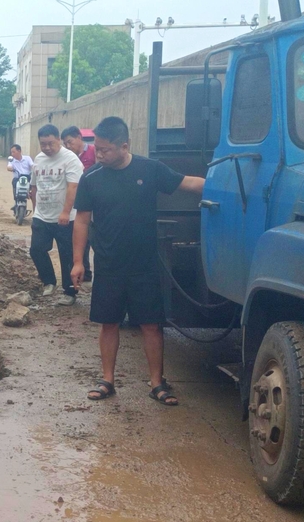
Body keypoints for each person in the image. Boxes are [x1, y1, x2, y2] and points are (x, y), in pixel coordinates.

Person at [70, 116, 205, 407]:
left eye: (105, 150)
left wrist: (223, 187)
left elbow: (188, 183)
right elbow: (81, 221)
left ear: (124, 146)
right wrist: (78, 261)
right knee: (108, 323)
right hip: (108, 265)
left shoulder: (149, 169)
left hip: (144, 264)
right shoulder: (91, 177)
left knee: (151, 325)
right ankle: (107, 379)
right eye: (98, 149)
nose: (100, 154)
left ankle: (157, 383)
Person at [29, 124, 84, 303]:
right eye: (43, 144)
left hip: (65, 217)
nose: (47, 148)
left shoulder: (70, 159)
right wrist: (36, 207)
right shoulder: (38, 159)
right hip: (42, 215)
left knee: (66, 254)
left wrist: (66, 212)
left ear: (58, 140)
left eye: (50, 143)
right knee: (36, 249)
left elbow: (73, 186)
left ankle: (70, 293)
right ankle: (49, 282)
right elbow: (34, 186)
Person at [61, 126, 95, 283]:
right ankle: (85, 271)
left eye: (70, 142)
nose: (68, 146)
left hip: (93, 203)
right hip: (76, 204)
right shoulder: (67, 158)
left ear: (79, 138)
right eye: (65, 143)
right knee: (81, 238)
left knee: (92, 238)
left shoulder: (94, 152)